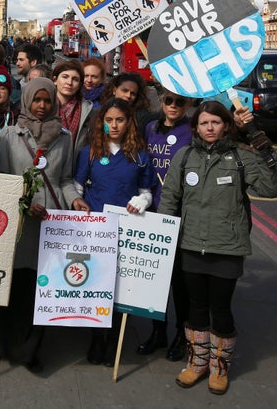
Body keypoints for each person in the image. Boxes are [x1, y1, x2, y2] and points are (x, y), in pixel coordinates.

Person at [158, 100, 277, 395]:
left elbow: (271, 188)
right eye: (204, 123)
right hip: (190, 245)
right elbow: (169, 198)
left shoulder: (241, 157)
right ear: (196, 127)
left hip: (227, 247)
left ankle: (219, 368)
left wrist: (260, 142)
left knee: (221, 309)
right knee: (195, 308)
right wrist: (164, 236)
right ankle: (197, 363)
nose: (209, 128)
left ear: (226, 125)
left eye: (215, 122)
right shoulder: (185, 156)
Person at [0, 77, 87, 371]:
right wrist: (23, 201)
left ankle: (31, 350)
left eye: (47, 101)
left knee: (43, 289)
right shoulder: (10, 135)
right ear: (27, 100)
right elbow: (2, 181)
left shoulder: (64, 136)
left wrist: (74, 199)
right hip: (22, 225)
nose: (42, 106)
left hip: (52, 223)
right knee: (18, 288)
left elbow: (65, 179)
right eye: (37, 99)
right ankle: (11, 345)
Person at [73, 97, 155, 367]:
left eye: (120, 119)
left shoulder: (140, 155)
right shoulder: (90, 153)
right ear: (102, 123)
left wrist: (143, 201)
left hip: (127, 231)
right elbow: (77, 189)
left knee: (120, 289)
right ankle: (97, 337)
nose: (114, 125)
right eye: (109, 120)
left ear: (129, 121)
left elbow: (147, 192)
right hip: (96, 231)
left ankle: (113, 341)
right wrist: (78, 205)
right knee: (98, 286)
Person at [136, 90, 193, 362]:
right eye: (168, 101)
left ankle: (182, 335)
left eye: (179, 102)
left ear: (188, 104)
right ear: (161, 101)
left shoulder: (192, 130)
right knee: (155, 280)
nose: (173, 106)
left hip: (180, 215)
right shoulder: (150, 127)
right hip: (151, 211)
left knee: (180, 282)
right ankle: (158, 332)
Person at [52, 59, 94, 153]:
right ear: (55, 80)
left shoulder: (88, 110)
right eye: (65, 77)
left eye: (75, 79)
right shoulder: (45, 106)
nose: (69, 82)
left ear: (79, 85)